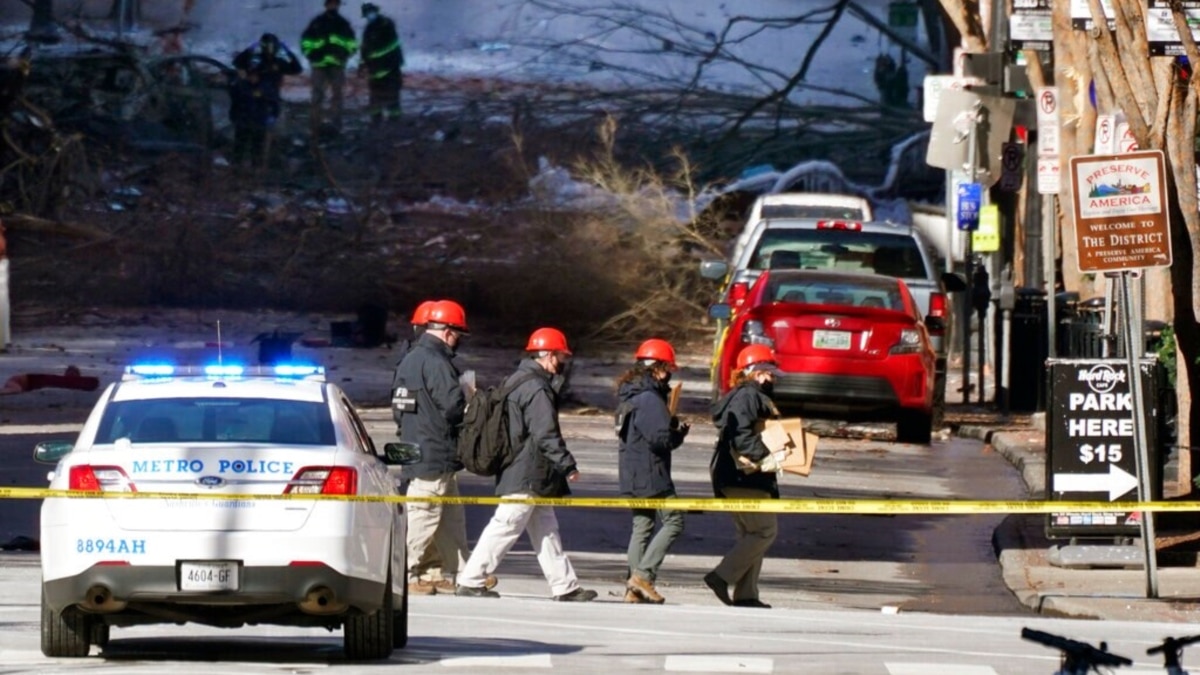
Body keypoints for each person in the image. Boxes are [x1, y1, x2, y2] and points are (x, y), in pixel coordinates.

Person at [456, 327, 598, 602]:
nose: (562, 363)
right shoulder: (536, 388)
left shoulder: (518, 380)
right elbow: (544, 432)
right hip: (527, 470)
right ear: (547, 355)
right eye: (560, 356)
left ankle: (565, 585)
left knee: (545, 528)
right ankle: (471, 580)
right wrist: (567, 464)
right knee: (506, 523)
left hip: (522, 467)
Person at [393, 299, 476, 595]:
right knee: (424, 514)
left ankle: (453, 572)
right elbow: (453, 408)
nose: (458, 341)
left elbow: (399, 409)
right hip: (435, 451)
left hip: (417, 449)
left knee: (449, 517)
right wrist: (468, 396)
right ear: (447, 331)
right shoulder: (437, 362)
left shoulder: (409, 360)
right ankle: (405, 572)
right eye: (457, 334)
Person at [705, 344, 782, 609]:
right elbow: (742, 436)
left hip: (738, 477)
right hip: (744, 478)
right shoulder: (748, 397)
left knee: (751, 534)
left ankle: (747, 594)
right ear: (758, 372)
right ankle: (721, 576)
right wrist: (766, 456)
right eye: (769, 373)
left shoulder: (744, 396)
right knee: (764, 532)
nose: (772, 379)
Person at [616, 338, 689, 604]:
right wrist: (678, 434)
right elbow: (660, 439)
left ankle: (633, 590)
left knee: (643, 525)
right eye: (668, 368)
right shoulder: (649, 398)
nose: (669, 374)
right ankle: (643, 576)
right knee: (675, 521)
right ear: (657, 368)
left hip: (633, 472)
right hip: (651, 473)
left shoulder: (631, 394)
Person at [230, 33, 302, 168]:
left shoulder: (278, 62)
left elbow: (296, 69)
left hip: (268, 101)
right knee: (243, 140)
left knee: (261, 140)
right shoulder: (256, 61)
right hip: (252, 101)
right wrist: (250, 49)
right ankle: (239, 166)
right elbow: (238, 63)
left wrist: (288, 52)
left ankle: (262, 165)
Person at [300, 0, 356, 135]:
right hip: (319, 66)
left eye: (335, 4)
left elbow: (352, 45)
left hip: (337, 66)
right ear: (326, 5)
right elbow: (305, 42)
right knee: (317, 96)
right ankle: (315, 126)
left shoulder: (343, 24)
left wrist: (343, 57)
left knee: (337, 96)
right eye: (331, 4)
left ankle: (336, 125)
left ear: (338, 5)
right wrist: (313, 57)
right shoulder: (317, 23)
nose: (333, 6)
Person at [391, 299, 435, 433]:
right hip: (428, 436)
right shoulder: (432, 360)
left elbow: (400, 404)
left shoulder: (408, 358)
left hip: (410, 431)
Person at [359, 2, 404, 125]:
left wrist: (375, 55)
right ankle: (376, 120)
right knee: (375, 96)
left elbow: (392, 46)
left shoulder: (386, 25)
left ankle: (394, 120)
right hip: (375, 70)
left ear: (376, 11)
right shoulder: (368, 29)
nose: (369, 16)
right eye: (367, 14)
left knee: (392, 95)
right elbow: (364, 48)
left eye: (371, 13)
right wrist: (362, 64)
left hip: (390, 67)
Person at [227, 68, 274, 169]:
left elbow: (273, 102)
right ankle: (236, 165)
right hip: (243, 121)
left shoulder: (265, 87)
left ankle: (256, 167)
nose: (252, 78)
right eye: (250, 76)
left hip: (258, 122)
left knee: (257, 147)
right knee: (240, 145)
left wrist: (272, 116)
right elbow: (235, 98)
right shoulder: (242, 86)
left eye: (254, 76)